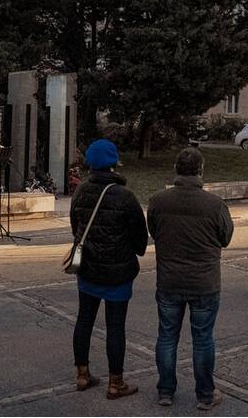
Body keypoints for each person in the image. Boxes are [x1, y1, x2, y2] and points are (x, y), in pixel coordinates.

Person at [147, 147, 234, 410]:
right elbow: (226, 238)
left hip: (169, 280)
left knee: (167, 336)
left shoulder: (158, 201)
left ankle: (165, 391)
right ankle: (205, 395)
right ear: (201, 170)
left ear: (176, 169)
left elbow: (154, 231)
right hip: (204, 282)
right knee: (203, 338)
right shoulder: (215, 204)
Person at [70, 139, 148, 399]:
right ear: (114, 163)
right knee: (115, 326)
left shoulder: (80, 191)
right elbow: (140, 239)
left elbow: (75, 228)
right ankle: (116, 382)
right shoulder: (125, 196)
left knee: (84, 320)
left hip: (88, 268)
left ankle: (82, 374)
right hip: (118, 272)